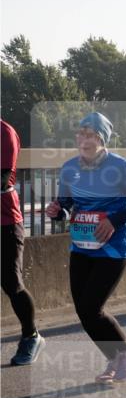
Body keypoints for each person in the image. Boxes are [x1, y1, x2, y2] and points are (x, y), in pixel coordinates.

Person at [45, 112, 126, 382]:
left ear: (102, 139)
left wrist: (114, 220)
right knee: (83, 311)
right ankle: (114, 359)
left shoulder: (120, 166)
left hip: (112, 249)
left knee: (92, 307)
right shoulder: (69, 168)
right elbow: (66, 206)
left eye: (91, 134)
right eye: (81, 133)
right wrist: (57, 211)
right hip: (81, 247)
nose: (85, 139)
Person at [2, 119, 44, 365]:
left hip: (5, 223)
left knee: (11, 283)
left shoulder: (4, 132)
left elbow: (3, 178)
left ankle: (31, 335)